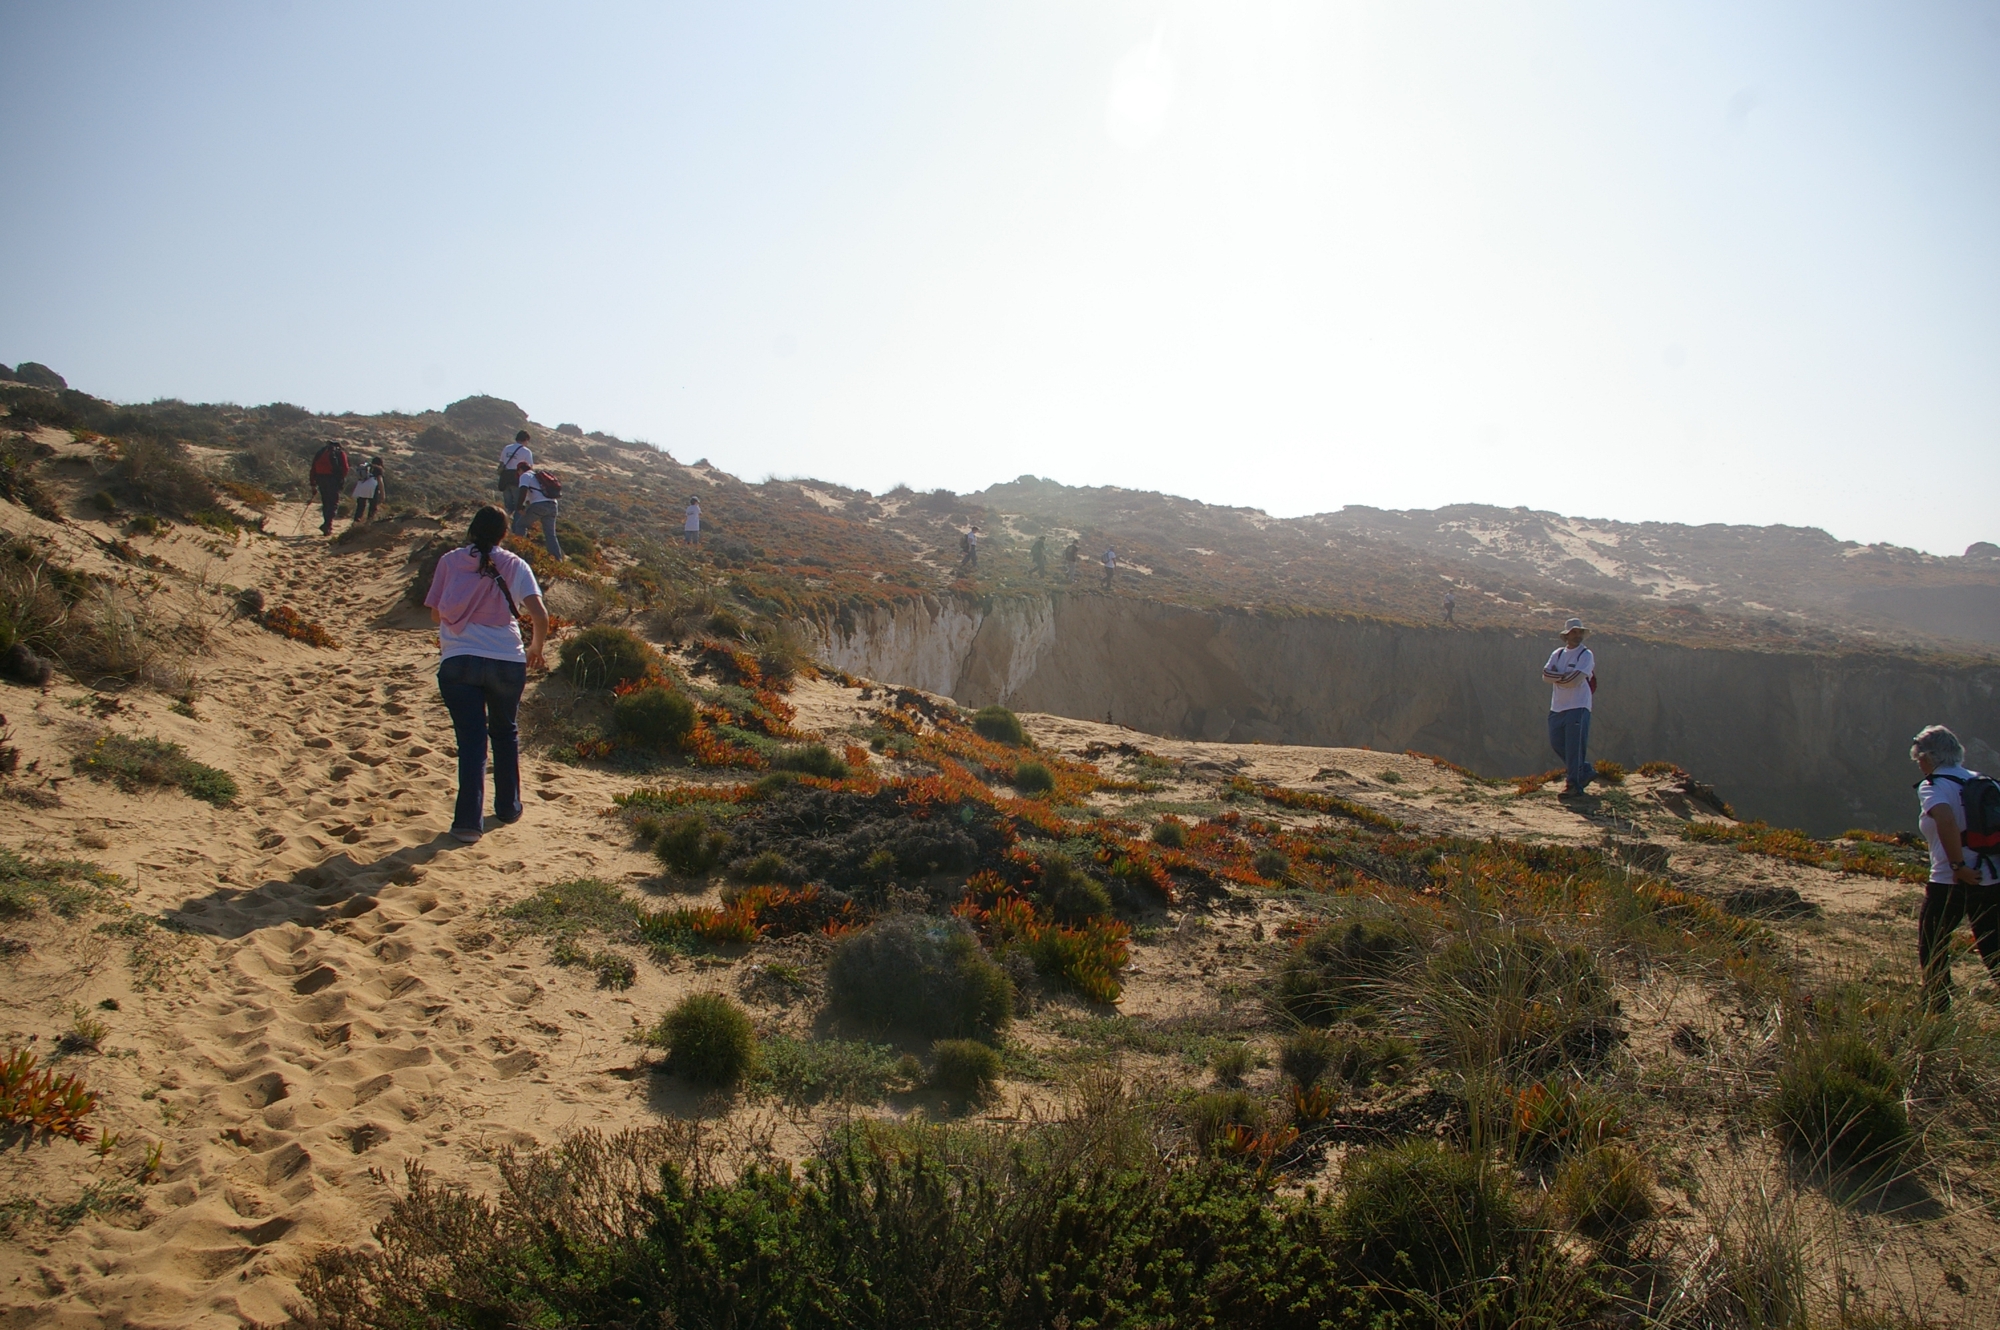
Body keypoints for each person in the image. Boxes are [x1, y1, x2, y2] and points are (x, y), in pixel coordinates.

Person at [423, 506, 550, 843]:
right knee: (505, 732)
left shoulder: (449, 561)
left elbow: (435, 615)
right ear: (504, 534)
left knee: (471, 741)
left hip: (459, 659)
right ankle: (508, 807)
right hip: (507, 660)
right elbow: (540, 615)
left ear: (472, 529)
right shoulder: (516, 564)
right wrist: (536, 649)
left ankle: (467, 824)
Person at [1909, 725, 2000, 1009]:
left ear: (1928, 756)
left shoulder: (1934, 785)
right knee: (1993, 946)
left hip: (1950, 880)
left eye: (1918, 758)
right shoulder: (1986, 781)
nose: (1918, 764)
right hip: (1991, 877)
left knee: (1933, 942)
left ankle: (1937, 1006)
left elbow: (1945, 819)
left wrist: (1958, 865)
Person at [1541, 617, 1596, 796]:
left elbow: (1575, 680)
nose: (1577, 635)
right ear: (1566, 635)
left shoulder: (1586, 655)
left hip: (1578, 706)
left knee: (1574, 745)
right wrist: (1564, 677)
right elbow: (1545, 675)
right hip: (1558, 707)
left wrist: (1558, 677)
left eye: (1580, 632)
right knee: (1556, 742)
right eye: (1574, 632)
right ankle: (1584, 770)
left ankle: (1574, 784)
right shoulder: (1557, 654)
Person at [510, 460, 563, 559]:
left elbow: (523, 490)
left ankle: (518, 551)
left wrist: (519, 507)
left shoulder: (525, 475)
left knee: (521, 525)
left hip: (539, 505)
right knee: (550, 534)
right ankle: (557, 559)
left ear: (520, 470)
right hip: (553, 505)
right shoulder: (537, 477)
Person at [307, 439, 349, 536]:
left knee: (326, 502)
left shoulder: (320, 452)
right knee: (333, 503)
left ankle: (327, 524)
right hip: (333, 480)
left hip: (320, 479)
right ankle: (327, 525)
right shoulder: (340, 453)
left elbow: (313, 468)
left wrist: (313, 484)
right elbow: (345, 468)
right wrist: (340, 478)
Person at [498, 431, 534, 515]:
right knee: (518, 505)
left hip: (505, 478)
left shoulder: (507, 448)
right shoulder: (526, 451)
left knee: (508, 506)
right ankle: (517, 523)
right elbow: (530, 468)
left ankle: (505, 521)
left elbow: (501, 463)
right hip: (518, 479)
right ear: (526, 440)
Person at [350, 458, 383, 523]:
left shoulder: (366, 467)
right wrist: (382, 494)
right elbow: (380, 481)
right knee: (373, 506)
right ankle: (369, 521)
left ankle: (356, 521)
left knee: (360, 506)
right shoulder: (378, 469)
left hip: (361, 485)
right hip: (372, 487)